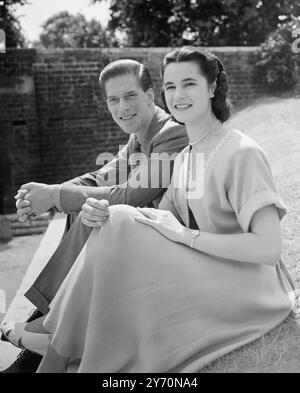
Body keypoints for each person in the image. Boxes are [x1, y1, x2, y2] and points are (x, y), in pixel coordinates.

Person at [6, 47, 296, 373]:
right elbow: (155, 213)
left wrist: (187, 237)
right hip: (204, 265)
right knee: (113, 217)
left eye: (189, 84)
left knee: (117, 216)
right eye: (170, 87)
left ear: (212, 88)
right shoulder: (187, 156)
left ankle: (51, 341)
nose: (178, 95)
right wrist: (100, 214)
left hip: (249, 287)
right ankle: (53, 347)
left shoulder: (241, 151)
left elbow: (268, 250)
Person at [0, 59, 188, 373]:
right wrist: (49, 193)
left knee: (98, 213)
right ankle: (38, 343)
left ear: (151, 96)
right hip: (136, 242)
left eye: (130, 96)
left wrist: (56, 196)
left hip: (168, 249)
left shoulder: (172, 135)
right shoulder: (137, 137)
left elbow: (129, 194)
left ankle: (42, 332)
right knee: (85, 208)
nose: (122, 107)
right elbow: (102, 178)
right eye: (113, 100)